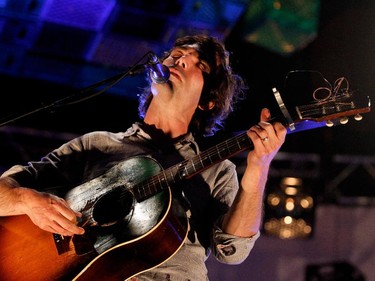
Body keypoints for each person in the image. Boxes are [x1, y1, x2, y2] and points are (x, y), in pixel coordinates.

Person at [0, 35, 286, 280]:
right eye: (176, 55)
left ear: (207, 101)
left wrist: (259, 168)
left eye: (199, 64)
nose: (180, 60)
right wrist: (27, 200)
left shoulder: (218, 171)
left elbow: (232, 252)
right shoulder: (97, 144)